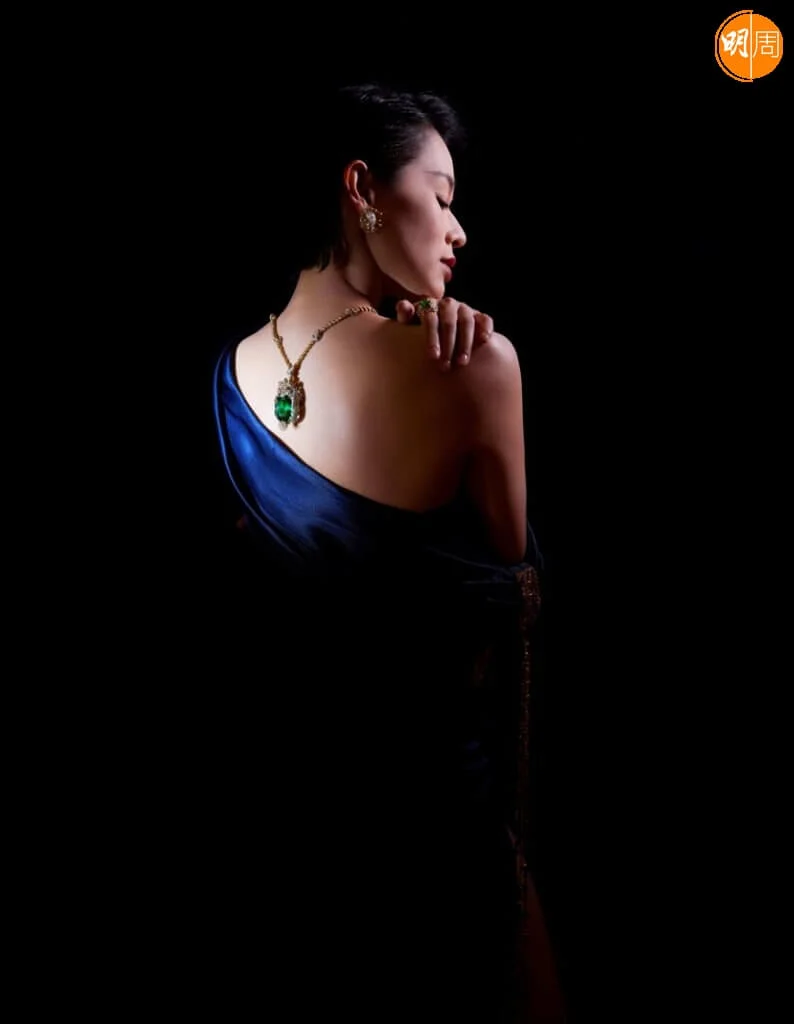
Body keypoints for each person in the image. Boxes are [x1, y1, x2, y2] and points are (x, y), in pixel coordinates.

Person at [207, 83, 565, 1022]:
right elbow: (514, 599)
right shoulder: (475, 368)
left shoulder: (231, 375)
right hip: (434, 829)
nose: (459, 230)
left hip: (275, 836)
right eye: (441, 196)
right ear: (362, 187)